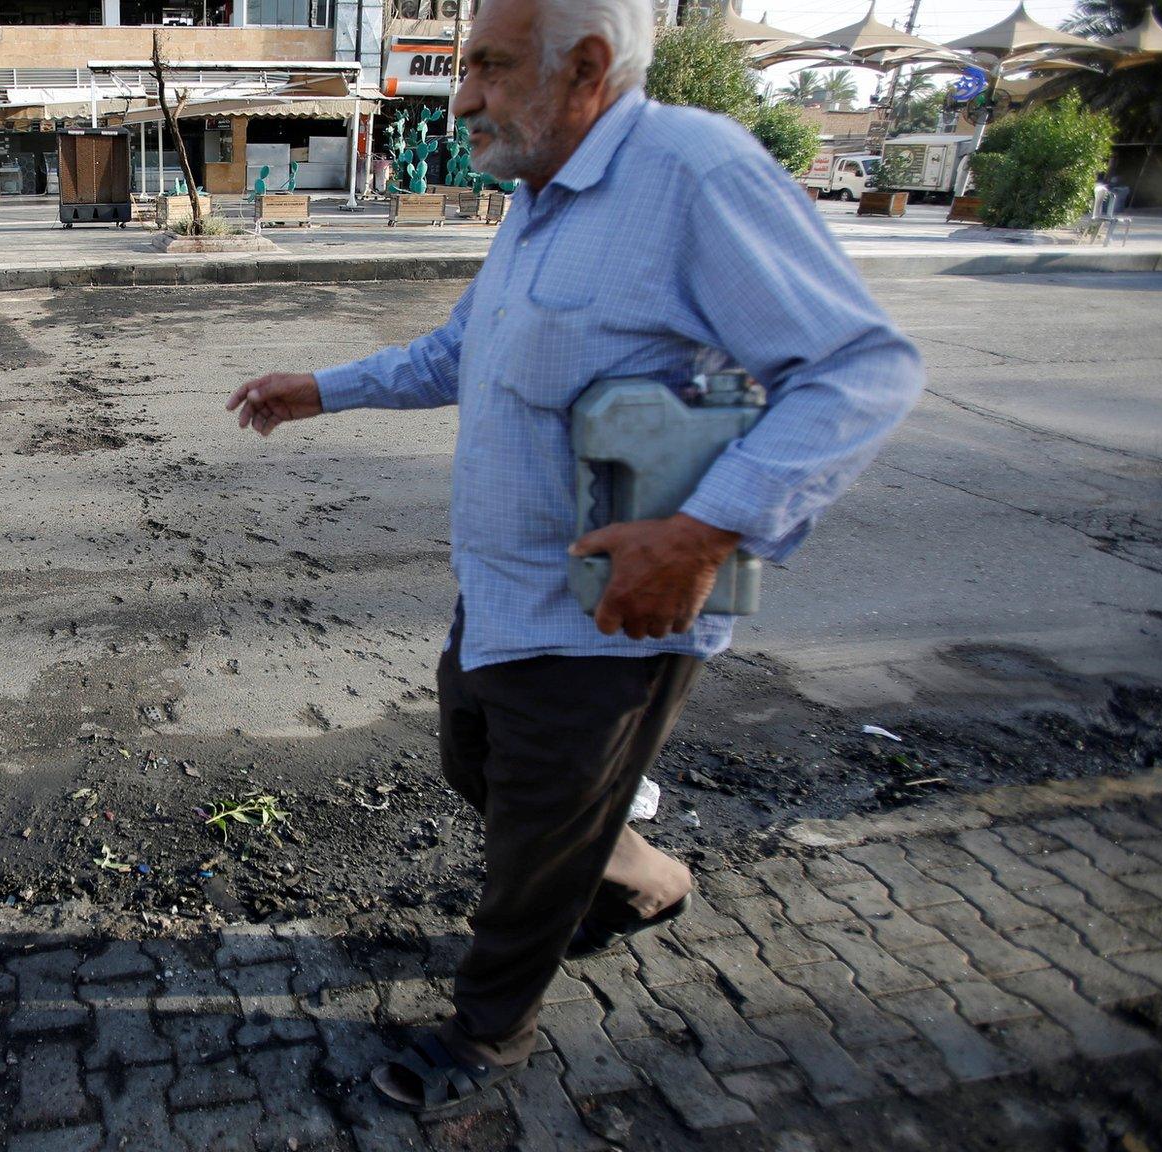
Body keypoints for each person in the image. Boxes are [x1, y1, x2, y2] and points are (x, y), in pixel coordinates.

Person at [225, 0, 923, 1118]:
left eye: (487, 69)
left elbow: (856, 369)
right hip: (499, 592)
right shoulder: (536, 196)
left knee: (528, 852)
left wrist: (704, 531)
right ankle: (641, 876)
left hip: (610, 612)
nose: (460, 99)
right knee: (478, 768)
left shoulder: (693, 174)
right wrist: (322, 389)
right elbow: (465, 347)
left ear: (585, 68)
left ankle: (487, 1035)